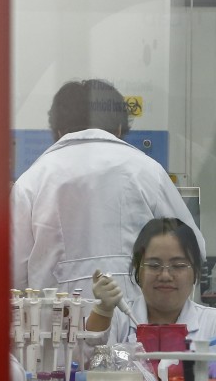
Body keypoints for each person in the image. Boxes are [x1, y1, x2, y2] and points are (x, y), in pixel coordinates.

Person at [11, 78, 204, 297]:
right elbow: (193, 249)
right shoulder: (147, 171)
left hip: (59, 326)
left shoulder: (32, 181)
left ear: (57, 131)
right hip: (138, 324)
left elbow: (14, 274)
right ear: (120, 128)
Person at [85, 217, 216, 379]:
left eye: (178, 266)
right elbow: (88, 368)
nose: (165, 275)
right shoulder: (118, 321)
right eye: (154, 265)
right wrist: (102, 311)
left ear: (196, 272)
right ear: (137, 269)